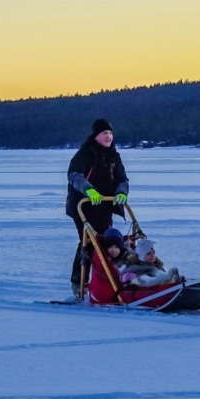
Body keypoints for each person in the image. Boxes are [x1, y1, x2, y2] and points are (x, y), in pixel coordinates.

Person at [66, 119, 129, 295]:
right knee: (88, 243)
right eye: (104, 134)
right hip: (83, 206)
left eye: (110, 133)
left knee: (108, 243)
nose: (108, 137)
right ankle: (78, 283)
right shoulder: (85, 153)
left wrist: (122, 192)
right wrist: (89, 190)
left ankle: (109, 280)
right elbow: (74, 175)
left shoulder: (114, 156)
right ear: (96, 136)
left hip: (105, 206)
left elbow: (122, 179)